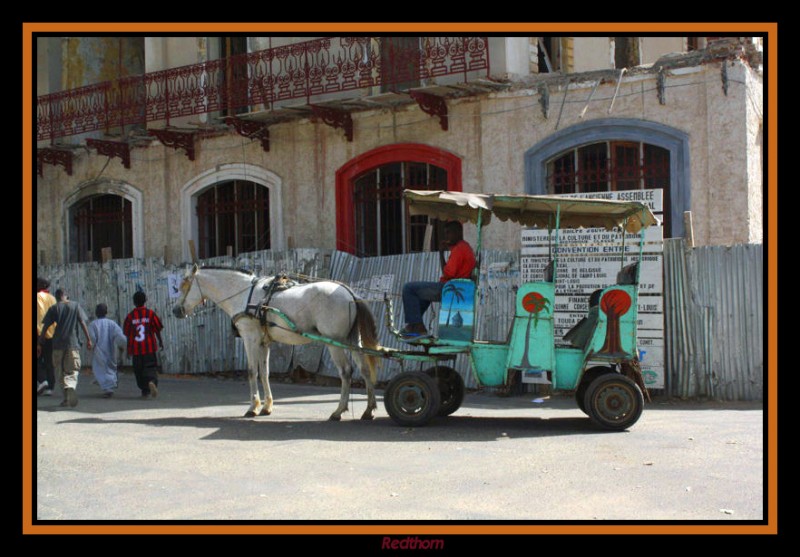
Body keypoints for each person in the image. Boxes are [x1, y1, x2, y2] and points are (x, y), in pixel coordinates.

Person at [400, 221, 476, 338]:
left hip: (449, 288)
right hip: (454, 287)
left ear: (458, 233)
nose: (446, 237)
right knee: (422, 295)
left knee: (409, 288)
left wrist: (441, 253)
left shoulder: (459, 249)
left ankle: (418, 326)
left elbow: (447, 273)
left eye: (448, 233)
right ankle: (412, 325)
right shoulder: (465, 247)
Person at [38, 289, 93, 408]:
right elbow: (83, 323)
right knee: (72, 370)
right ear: (66, 296)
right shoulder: (75, 306)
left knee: (59, 371)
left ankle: (66, 398)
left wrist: (40, 341)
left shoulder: (54, 308)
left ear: (57, 297)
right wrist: (88, 339)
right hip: (72, 344)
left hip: (57, 344)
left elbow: (46, 326)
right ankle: (71, 387)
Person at [123, 291, 164, 398]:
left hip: (136, 350)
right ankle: (151, 382)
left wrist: (128, 349)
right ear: (145, 300)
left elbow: (127, 334)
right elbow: (157, 329)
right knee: (150, 368)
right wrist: (160, 341)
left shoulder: (130, 316)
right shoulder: (150, 314)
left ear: (134, 302)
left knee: (139, 371)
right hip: (149, 348)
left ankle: (144, 390)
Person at [88, 303, 127, 398]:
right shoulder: (112, 324)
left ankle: (108, 388)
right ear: (106, 312)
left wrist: (90, 346)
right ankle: (109, 385)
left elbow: (92, 338)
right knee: (109, 368)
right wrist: (124, 345)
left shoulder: (93, 324)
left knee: (100, 369)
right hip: (111, 350)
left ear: (96, 313)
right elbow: (120, 337)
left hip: (99, 350)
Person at [36, 277, 57, 396]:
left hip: (39, 334)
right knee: (49, 361)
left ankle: (42, 380)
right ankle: (50, 386)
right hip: (52, 334)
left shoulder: (37, 297)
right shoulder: (52, 298)